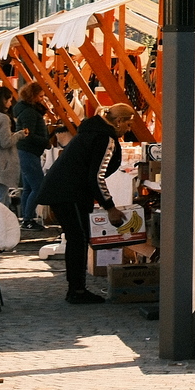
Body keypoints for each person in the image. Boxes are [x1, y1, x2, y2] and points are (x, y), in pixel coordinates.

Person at [35, 102, 135, 304]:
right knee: (78, 238)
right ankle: (77, 290)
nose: (129, 129)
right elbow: (96, 176)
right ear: (118, 122)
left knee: (76, 238)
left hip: (64, 190)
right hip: (69, 192)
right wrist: (110, 207)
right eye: (128, 123)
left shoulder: (92, 132)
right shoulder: (105, 138)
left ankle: (76, 287)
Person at [11, 81, 51, 230]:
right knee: (38, 187)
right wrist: (45, 141)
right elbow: (28, 134)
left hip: (27, 152)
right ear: (33, 96)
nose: (42, 98)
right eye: (40, 96)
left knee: (29, 188)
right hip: (28, 152)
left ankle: (27, 218)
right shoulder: (29, 112)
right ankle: (28, 219)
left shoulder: (26, 110)